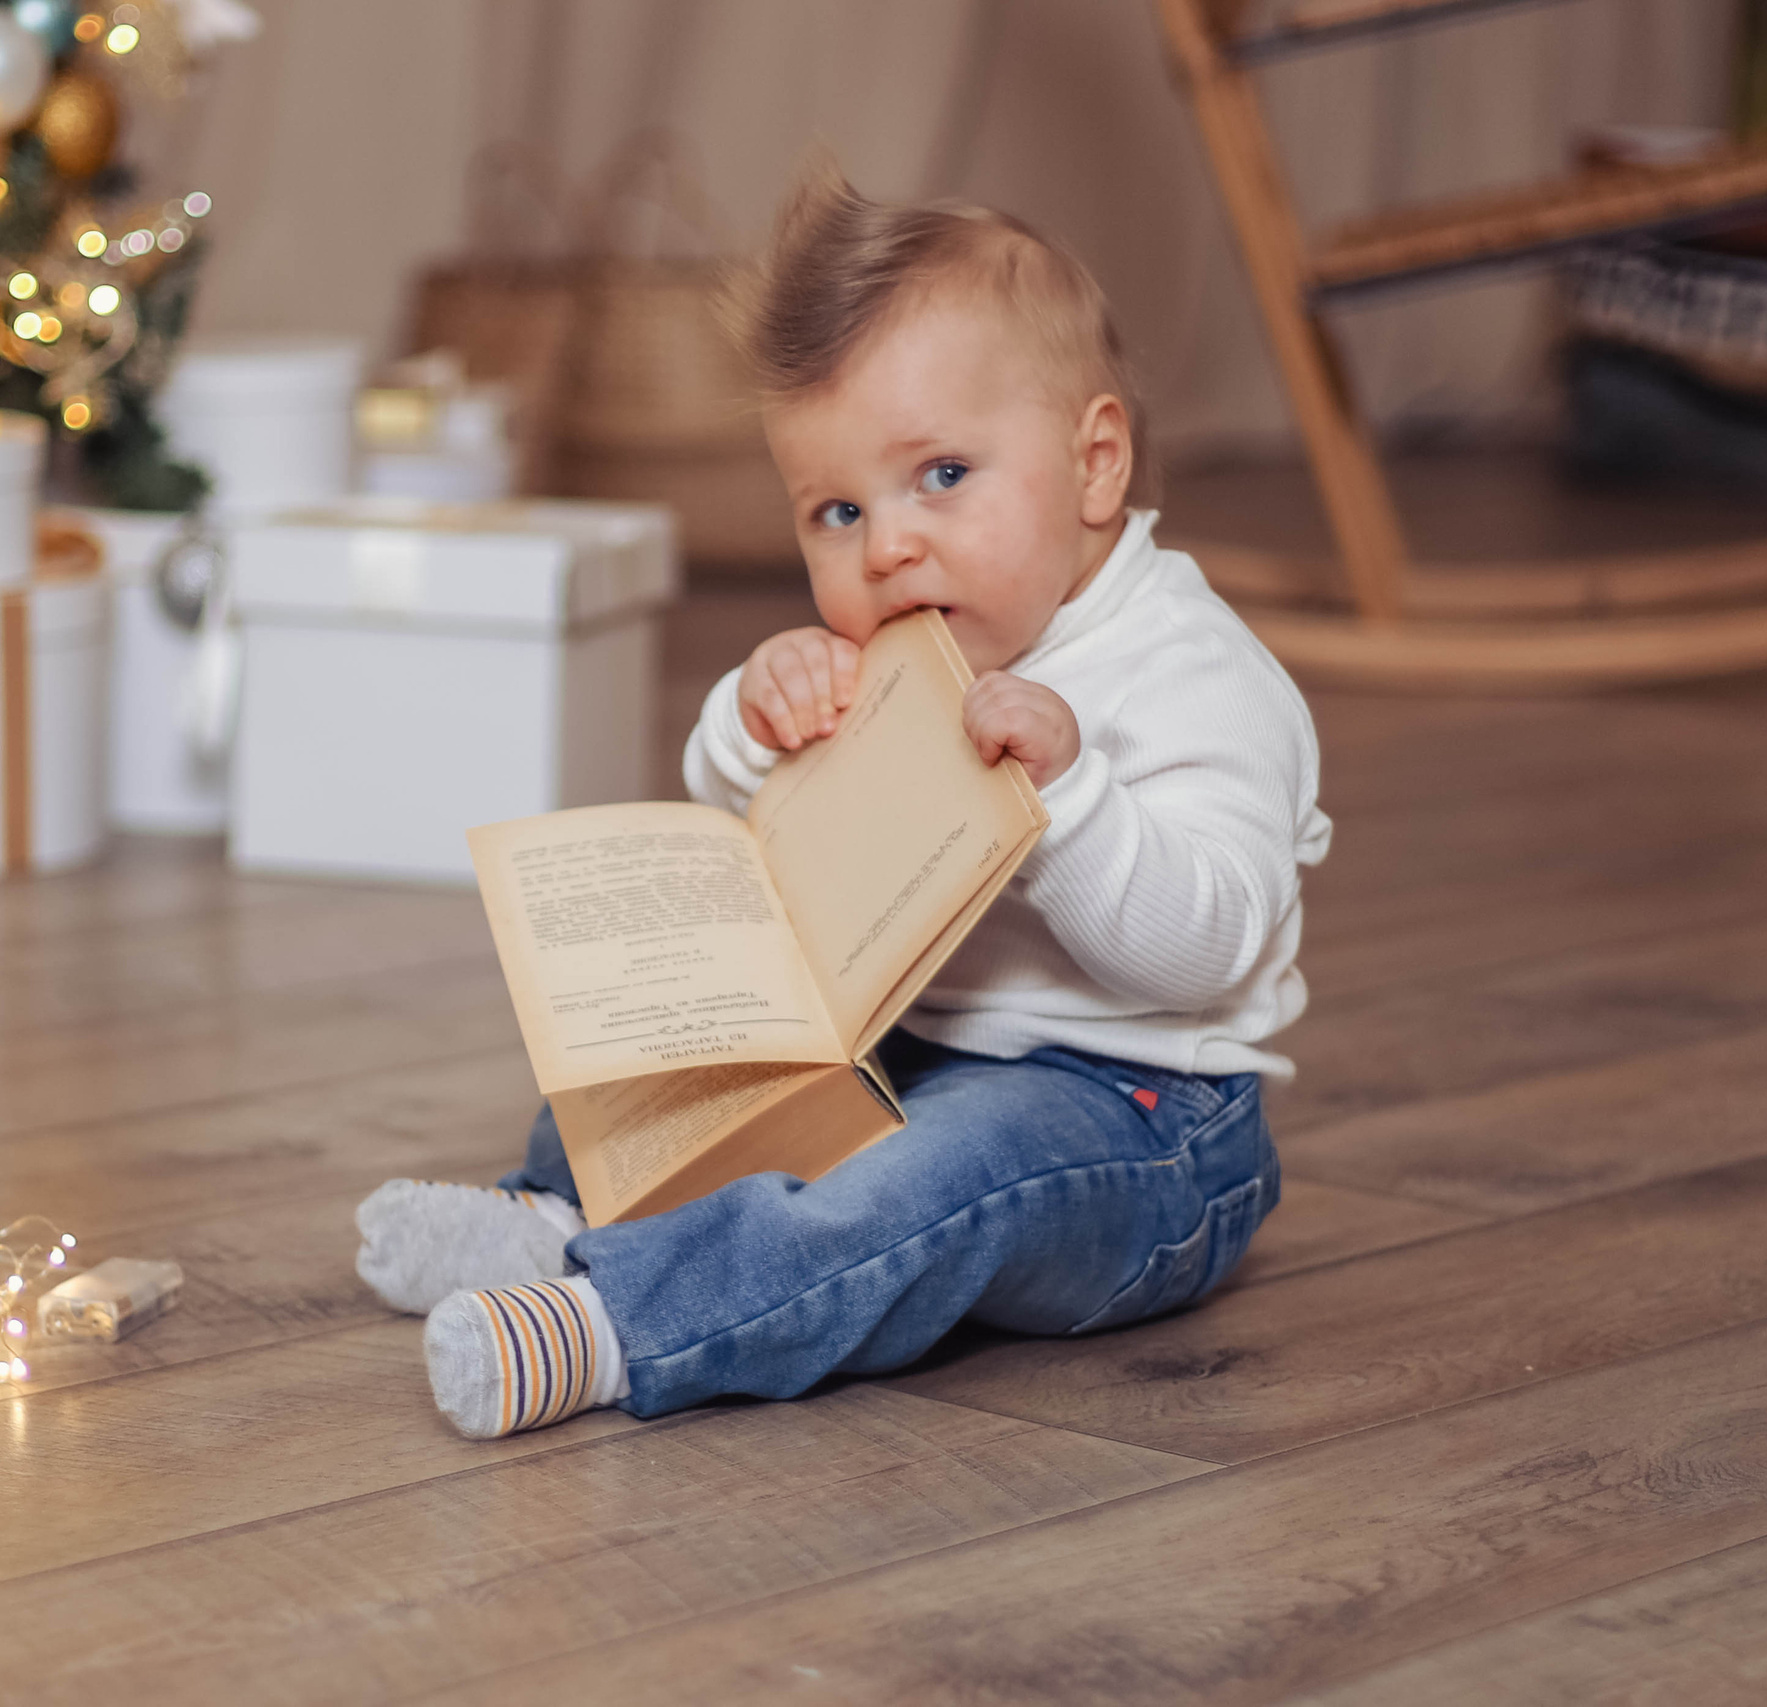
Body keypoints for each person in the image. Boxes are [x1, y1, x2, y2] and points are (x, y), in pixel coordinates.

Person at [356, 161, 1330, 1440]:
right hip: (907, 1044)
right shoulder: (919, 640)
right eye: (836, 508)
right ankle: (560, 1208)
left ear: (1095, 464)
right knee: (693, 1048)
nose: (885, 548)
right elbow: (776, 832)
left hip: (1134, 1123)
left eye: (941, 477)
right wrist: (760, 717)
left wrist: (1072, 801)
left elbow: (1208, 948)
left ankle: (625, 1323)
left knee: (938, 1173)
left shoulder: (1196, 676)